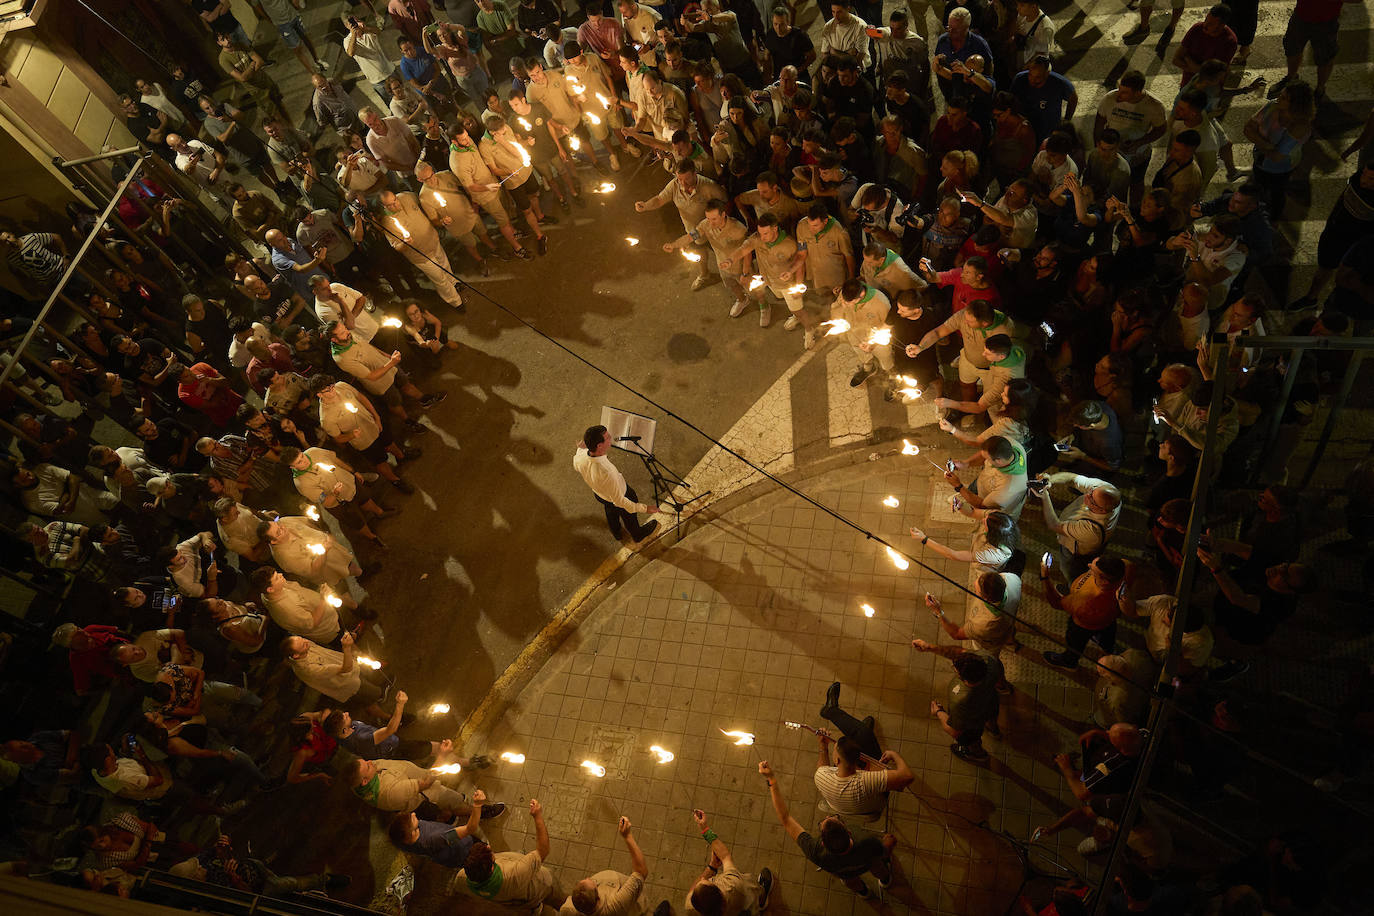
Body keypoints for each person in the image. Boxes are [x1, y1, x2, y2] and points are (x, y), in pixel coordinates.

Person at [758, 759, 895, 899]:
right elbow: (883, 851)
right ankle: (885, 881)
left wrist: (771, 780)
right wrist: (888, 843)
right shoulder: (866, 841)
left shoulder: (816, 851)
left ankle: (863, 892)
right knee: (877, 865)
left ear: (823, 842)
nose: (828, 815)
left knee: (850, 880)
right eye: (833, 817)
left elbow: (785, 819)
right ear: (848, 832)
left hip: (844, 872)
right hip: (867, 862)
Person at [813, 682, 915, 819]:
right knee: (864, 734)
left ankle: (857, 730)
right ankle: (855, 728)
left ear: (837, 761)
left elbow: (822, 768)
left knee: (863, 735)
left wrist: (823, 746)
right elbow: (908, 777)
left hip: (846, 808)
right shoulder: (865, 781)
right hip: (874, 804)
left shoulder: (821, 777)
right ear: (861, 761)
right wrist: (894, 755)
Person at [460, 800, 562, 910]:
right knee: (555, 897)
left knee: (530, 903)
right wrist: (537, 816)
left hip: (517, 900)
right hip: (538, 888)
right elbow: (543, 850)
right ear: (491, 865)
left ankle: (535, 908)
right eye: (488, 852)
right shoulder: (514, 873)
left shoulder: (463, 878)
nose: (489, 847)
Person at [574, 425, 660, 544]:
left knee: (610, 511)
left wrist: (580, 449)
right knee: (628, 516)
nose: (611, 438)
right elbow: (620, 501)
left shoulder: (580, 458)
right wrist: (645, 508)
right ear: (599, 446)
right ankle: (637, 534)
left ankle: (616, 532)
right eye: (608, 437)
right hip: (619, 494)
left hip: (600, 495)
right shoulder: (607, 472)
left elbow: (577, 461)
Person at [1040, 554, 1129, 669]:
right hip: (1108, 620)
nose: (1089, 565)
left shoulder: (1085, 602)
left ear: (1104, 581)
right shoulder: (1125, 569)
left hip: (1082, 626)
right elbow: (1129, 564)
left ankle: (1069, 662)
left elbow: (1056, 602)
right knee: (1107, 635)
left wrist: (1044, 576)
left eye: (1093, 569)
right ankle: (1108, 649)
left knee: (1075, 644)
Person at [684, 808, 774, 916]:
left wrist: (712, 867)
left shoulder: (692, 909)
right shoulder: (732, 885)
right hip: (747, 900)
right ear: (720, 892)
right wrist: (705, 829)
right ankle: (762, 901)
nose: (703, 878)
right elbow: (725, 856)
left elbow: (692, 891)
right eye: (709, 881)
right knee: (752, 890)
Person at [558, 815, 650, 915]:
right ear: (598, 898)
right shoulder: (615, 906)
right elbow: (641, 871)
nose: (589, 878)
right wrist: (627, 836)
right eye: (594, 884)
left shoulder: (568, 909)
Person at [1035, 473, 1121, 578]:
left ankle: (1071, 587)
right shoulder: (1105, 491)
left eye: (1092, 500)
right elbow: (1073, 478)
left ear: (1102, 510)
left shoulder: (1092, 530)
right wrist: (1050, 480)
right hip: (1086, 538)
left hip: (1077, 552)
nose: (1087, 495)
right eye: (1091, 492)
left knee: (1071, 570)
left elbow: (1054, 525)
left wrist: (1045, 497)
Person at [930, 650, 1003, 761]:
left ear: (962, 676)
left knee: (970, 739)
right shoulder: (990, 661)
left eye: (955, 668)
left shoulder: (960, 699)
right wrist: (930, 647)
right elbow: (999, 679)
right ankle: (993, 730)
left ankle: (977, 754)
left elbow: (955, 731)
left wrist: (939, 712)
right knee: (991, 717)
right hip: (991, 703)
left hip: (973, 725)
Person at [388, 800, 488, 869]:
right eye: (412, 818)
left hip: (451, 857)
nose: (414, 814)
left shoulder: (399, 839)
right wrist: (477, 805)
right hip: (467, 849)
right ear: (413, 833)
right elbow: (470, 828)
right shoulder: (437, 838)